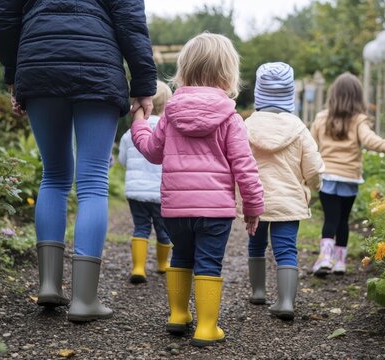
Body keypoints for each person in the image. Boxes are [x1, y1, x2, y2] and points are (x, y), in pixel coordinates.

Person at [0, 0, 157, 322]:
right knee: (93, 180)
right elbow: (130, 20)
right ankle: (84, 299)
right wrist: (143, 85)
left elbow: (4, 16)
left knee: (53, 175)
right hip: (98, 68)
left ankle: (49, 284)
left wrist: (15, 74)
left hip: (39, 65)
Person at [130, 33, 264, 347]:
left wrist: (138, 122)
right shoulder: (231, 117)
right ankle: (206, 327)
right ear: (227, 74)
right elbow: (245, 166)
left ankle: (178, 316)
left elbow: (152, 151)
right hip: (215, 210)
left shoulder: (172, 114)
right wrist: (253, 207)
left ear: (184, 70)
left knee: (181, 257)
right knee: (209, 263)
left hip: (176, 210)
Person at [244, 62, 325, 321]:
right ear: (289, 94)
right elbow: (312, 168)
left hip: (255, 200)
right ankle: (286, 301)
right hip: (288, 201)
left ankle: (258, 291)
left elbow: (237, 160)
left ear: (259, 92)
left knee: (255, 244)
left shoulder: (247, 125)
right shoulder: (299, 128)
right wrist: (316, 186)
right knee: (286, 249)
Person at [310, 73, 385, 276]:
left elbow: (311, 146)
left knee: (330, 219)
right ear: (357, 97)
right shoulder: (359, 120)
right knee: (343, 220)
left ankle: (325, 258)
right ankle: (340, 263)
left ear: (333, 94)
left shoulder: (321, 118)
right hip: (349, 178)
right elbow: (370, 139)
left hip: (327, 177)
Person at [118, 80, 173, 284]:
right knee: (163, 229)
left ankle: (139, 268)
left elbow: (123, 160)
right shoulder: (168, 129)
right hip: (160, 192)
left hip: (136, 191)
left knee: (140, 227)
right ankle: (161, 264)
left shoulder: (129, 133)